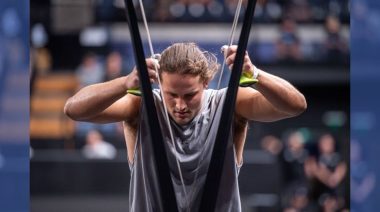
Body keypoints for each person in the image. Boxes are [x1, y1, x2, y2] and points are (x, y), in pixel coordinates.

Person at [64, 42, 307, 211]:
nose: (180, 105)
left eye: (189, 95)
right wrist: (124, 83)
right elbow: (74, 109)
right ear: (159, 83)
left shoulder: (228, 102)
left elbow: (296, 106)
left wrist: (255, 74)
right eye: (172, 94)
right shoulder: (143, 105)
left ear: (206, 82)